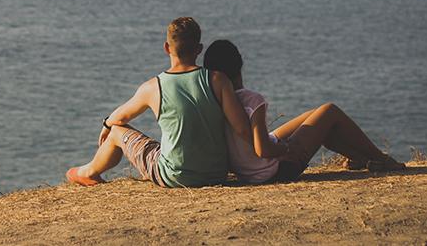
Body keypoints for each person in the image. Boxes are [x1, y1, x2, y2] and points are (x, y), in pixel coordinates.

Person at [66, 17, 251, 187]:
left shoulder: (153, 87)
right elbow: (241, 128)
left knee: (116, 132)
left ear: (166, 47)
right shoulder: (218, 80)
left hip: (174, 176)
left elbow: (120, 118)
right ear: (199, 49)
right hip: (215, 174)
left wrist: (107, 124)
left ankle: (87, 172)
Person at [202, 39, 405, 184]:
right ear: (240, 65)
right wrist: (286, 148)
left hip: (249, 171)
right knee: (329, 111)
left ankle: (361, 159)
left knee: (314, 116)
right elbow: (263, 150)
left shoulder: (212, 102)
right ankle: (381, 158)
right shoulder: (252, 100)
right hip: (277, 169)